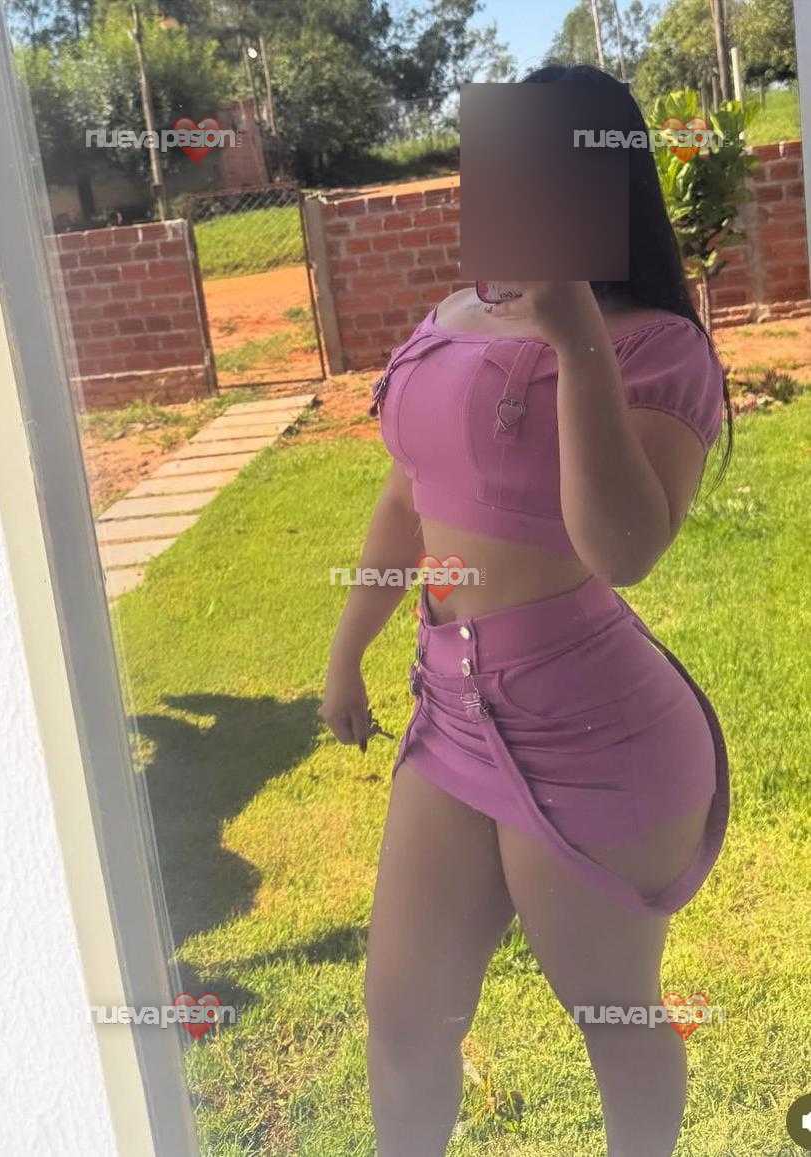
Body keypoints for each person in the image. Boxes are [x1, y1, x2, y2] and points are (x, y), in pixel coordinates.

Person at [319, 64, 733, 1157]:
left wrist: (573, 335)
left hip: (594, 728)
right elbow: (407, 495)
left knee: (613, 1022)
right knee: (403, 1020)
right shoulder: (451, 317)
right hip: (450, 715)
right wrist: (348, 648)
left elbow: (624, 550)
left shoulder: (657, 346)